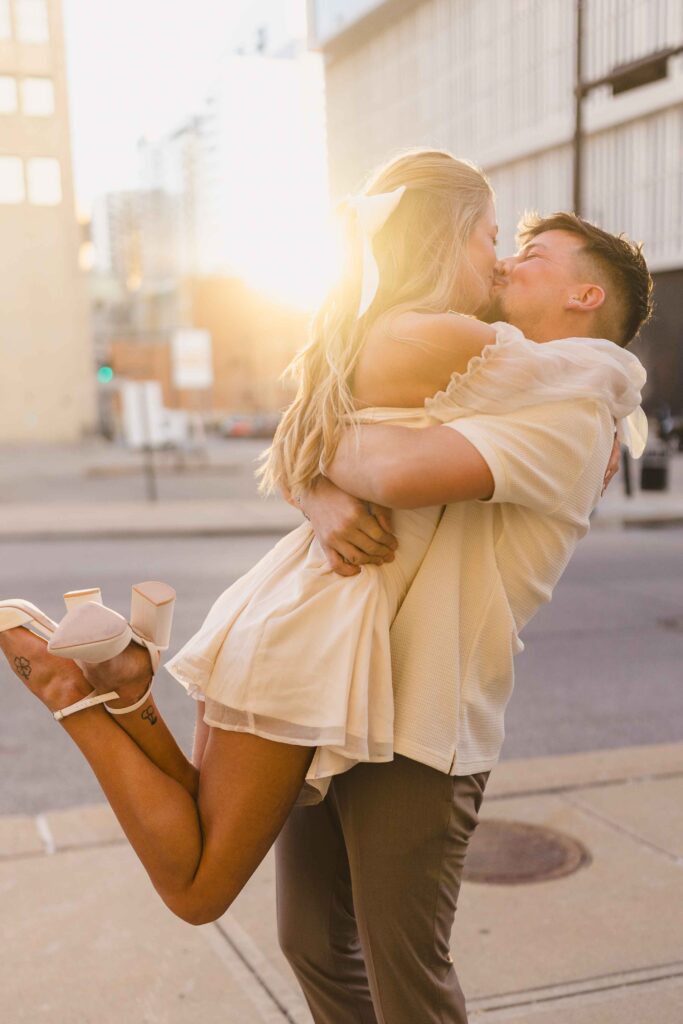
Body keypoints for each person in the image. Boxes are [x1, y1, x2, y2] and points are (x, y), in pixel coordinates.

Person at [0, 148, 648, 1021]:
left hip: (421, 719)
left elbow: (385, 461)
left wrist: (311, 454)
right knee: (310, 944)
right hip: (337, 676)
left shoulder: (571, 411)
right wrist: (313, 484)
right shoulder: (483, 376)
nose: (501, 261)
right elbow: (350, 423)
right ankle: (114, 700)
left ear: (585, 297)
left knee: (405, 975)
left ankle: (100, 700)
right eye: (497, 242)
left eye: (529, 254)